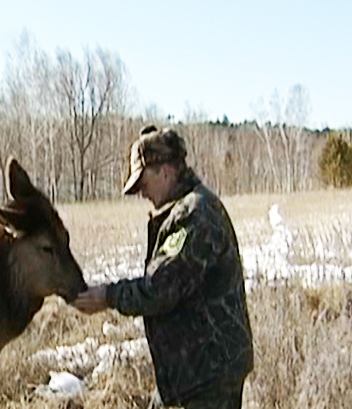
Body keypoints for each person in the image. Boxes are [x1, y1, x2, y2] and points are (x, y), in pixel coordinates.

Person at [73, 125, 254, 409]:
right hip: (191, 373)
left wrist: (107, 296)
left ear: (166, 172)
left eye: (142, 183)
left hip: (208, 376)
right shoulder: (186, 210)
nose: (141, 193)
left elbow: (160, 289)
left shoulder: (195, 214)